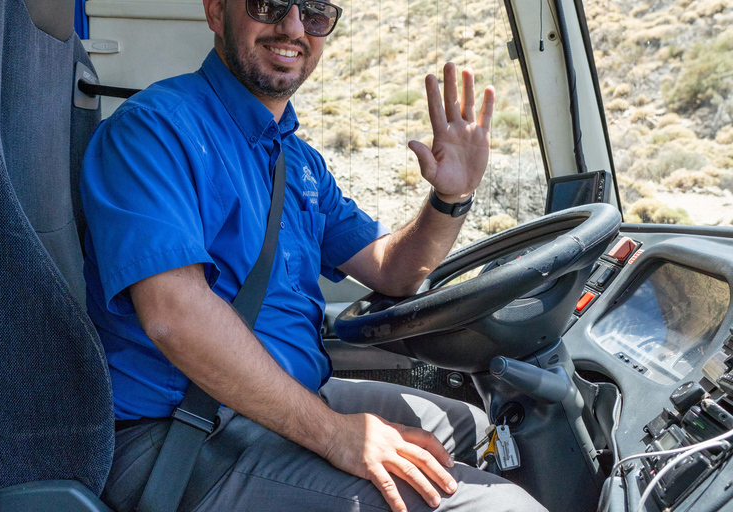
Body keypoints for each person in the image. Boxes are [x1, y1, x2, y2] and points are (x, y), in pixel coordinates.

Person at [81, 0, 547, 510]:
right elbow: (176, 317)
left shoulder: (298, 161)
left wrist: (450, 199)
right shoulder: (153, 130)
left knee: (475, 427)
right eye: (268, 4)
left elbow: (393, 269)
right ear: (216, 12)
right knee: (503, 507)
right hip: (183, 435)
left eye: (316, 13)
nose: (293, 27)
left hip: (279, 403)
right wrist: (334, 435)